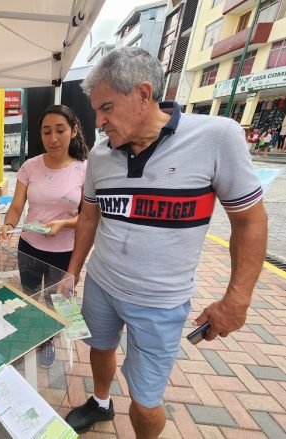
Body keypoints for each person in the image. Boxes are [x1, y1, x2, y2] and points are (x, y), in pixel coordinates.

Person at [64, 47, 268, 438]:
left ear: (143, 94)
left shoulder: (216, 137)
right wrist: (72, 272)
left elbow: (250, 221)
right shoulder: (101, 155)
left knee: (145, 402)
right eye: (96, 110)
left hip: (160, 302)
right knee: (100, 346)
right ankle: (101, 402)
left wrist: (237, 299)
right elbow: (89, 216)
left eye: (106, 108)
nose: (99, 121)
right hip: (101, 284)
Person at [0, 104, 88, 367]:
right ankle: (28, 334)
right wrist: (8, 223)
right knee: (28, 294)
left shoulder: (84, 169)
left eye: (60, 130)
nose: (53, 138)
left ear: (74, 130)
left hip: (64, 251)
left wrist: (65, 223)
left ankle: (48, 340)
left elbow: (89, 217)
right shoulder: (30, 166)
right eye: (47, 132)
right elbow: (17, 206)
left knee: (56, 300)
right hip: (29, 246)